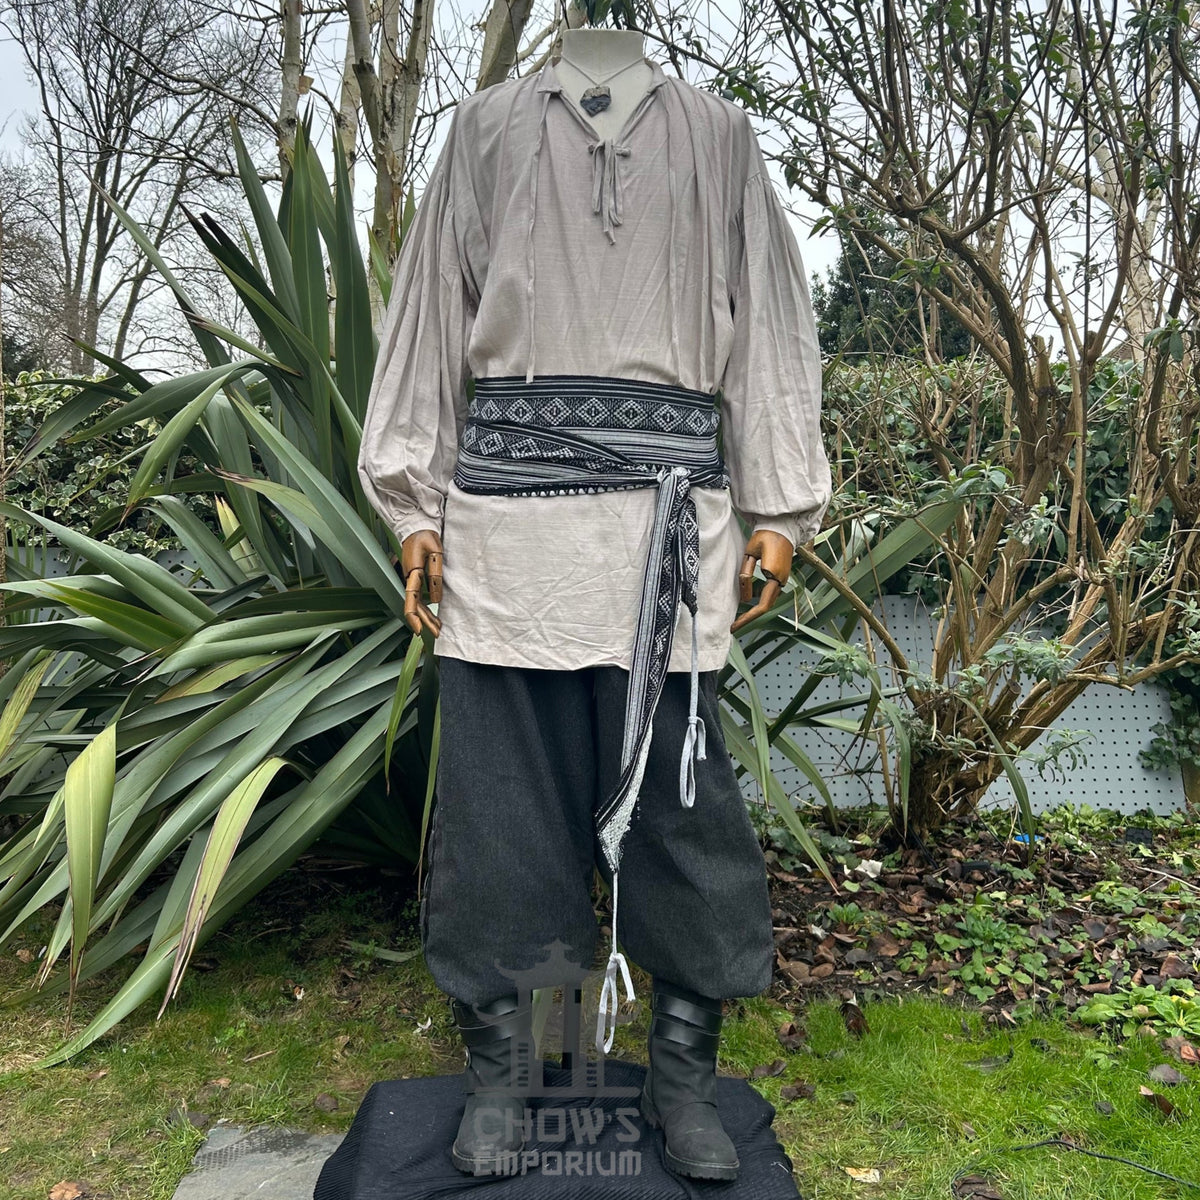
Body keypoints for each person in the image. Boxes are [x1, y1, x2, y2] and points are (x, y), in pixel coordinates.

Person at [356, 23, 832, 1181]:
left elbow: (770, 323)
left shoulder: (719, 138)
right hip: (507, 555)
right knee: (502, 830)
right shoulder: (480, 132)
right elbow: (424, 320)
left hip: (667, 556)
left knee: (685, 829)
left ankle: (682, 1080)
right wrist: (412, 507)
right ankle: (518, 1075)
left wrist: (780, 506)